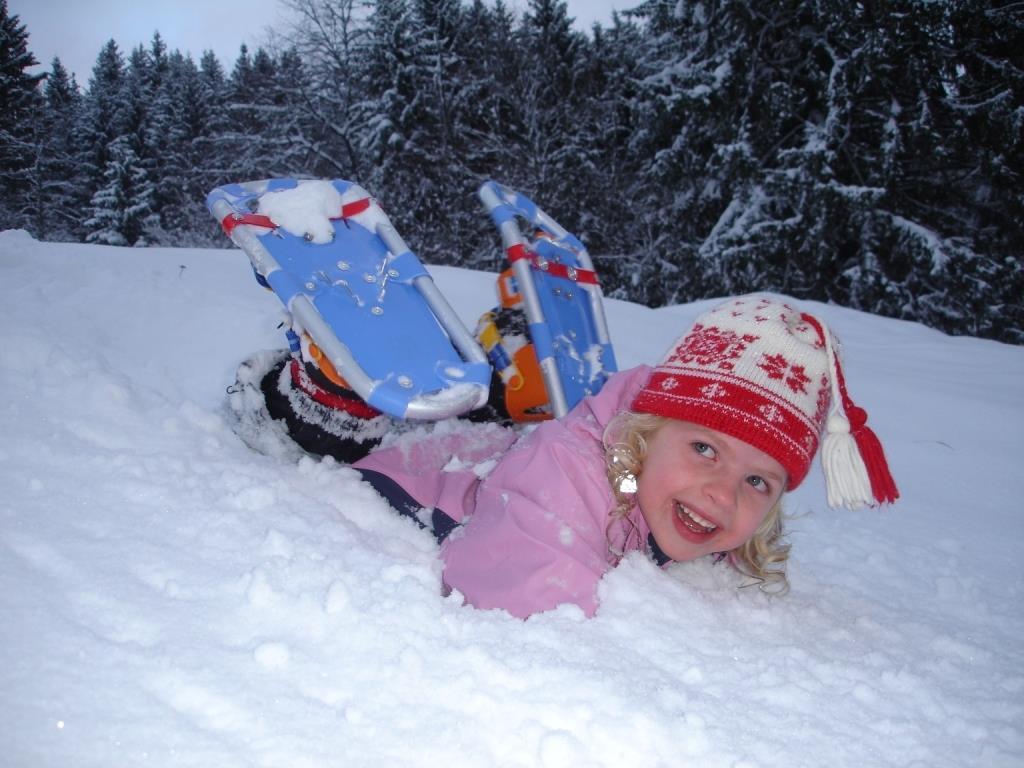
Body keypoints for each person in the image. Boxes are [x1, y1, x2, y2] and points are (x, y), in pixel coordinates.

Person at [345, 293, 899, 619]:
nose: (723, 494)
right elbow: (531, 606)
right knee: (359, 430)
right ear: (646, 432)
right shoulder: (567, 473)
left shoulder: (666, 490)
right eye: (705, 449)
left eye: (759, 482)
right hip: (409, 480)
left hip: (496, 451)